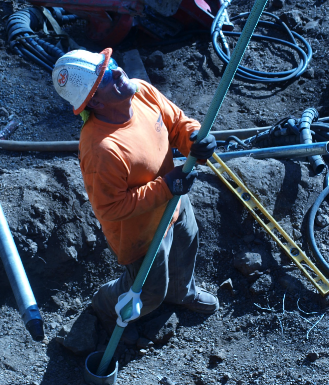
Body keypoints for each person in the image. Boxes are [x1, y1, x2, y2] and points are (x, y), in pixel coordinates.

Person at [52, 48, 218, 344]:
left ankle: (182, 293)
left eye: (111, 64)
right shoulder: (101, 149)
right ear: (95, 102)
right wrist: (166, 186)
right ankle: (103, 305)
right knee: (150, 291)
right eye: (104, 76)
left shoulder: (141, 92)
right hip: (140, 232)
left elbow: (177, 122)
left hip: (175, 201)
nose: (118, 71)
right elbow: (111, 208)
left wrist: (194, 139)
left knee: (186, 242)